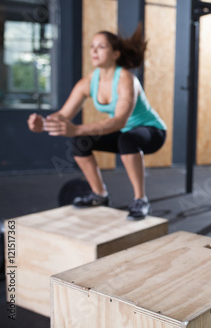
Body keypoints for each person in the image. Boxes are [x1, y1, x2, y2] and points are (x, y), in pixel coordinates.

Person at [27, 23, 166, 220]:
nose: (94, 50)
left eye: (101, 46)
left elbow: (119, 121)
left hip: (152, 131)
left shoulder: (126, 79)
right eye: (92, 46)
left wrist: (76, 129)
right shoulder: (88, 83)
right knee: (80, 142)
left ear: (116, 54)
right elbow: (63, 114)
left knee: (126, 139)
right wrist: (44, 123)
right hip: (125, 132)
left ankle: (141, 200)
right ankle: (100, 195)